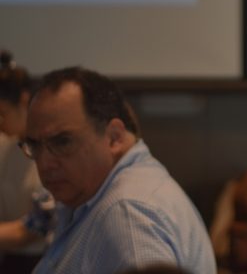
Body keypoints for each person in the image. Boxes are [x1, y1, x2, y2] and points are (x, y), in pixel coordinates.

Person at [20, 66, 216, 274]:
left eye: (62, 142)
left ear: (114, 138)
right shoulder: (99, 195)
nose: (44, 163)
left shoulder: (128, 215)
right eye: (35, 146)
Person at [0, 50, 48, 273]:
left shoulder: (50, 153)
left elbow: (36, 228)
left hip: (39, 261)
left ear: (24, 100)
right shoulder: (6, 144)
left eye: (2, 113)